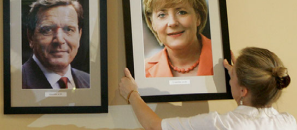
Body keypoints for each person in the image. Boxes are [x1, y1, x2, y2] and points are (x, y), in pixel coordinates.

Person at [119, 47, 296, 130]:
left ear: (244, 91)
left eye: (232, 76)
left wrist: (132, 93)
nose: (229, 79)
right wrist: (239, 77)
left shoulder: (223, 124)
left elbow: (155, 126)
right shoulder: (289, 122)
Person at [143, 0, 213, 77]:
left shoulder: (222, 59)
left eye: (182, 12)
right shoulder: (143, 72)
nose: (172, 22)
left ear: (198, 17)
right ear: (152, 23)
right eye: (162, 15)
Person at [22, 0, 90, 89]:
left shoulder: (89, 82)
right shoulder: (15, 82)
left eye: (69, 29)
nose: (59, 40)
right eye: (47, 30)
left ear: (79, 35)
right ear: (31, 37)